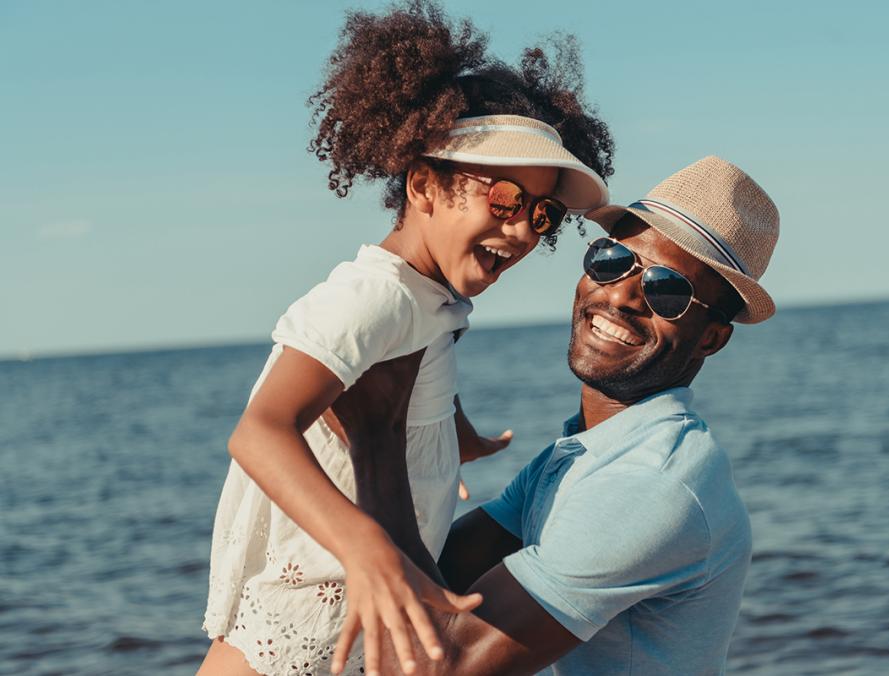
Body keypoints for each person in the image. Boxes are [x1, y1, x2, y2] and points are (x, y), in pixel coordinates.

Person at [196, 2, 614, 675]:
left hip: (364, 605)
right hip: (312, 603)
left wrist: (454, 432)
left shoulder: (430, 298)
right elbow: (259, 431)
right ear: (424, 184)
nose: (522, 231)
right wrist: (365, 546)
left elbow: (412, 367)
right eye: (503, 199)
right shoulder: (375, 295)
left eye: (542, 215)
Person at [362, 155, 780, 674]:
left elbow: (442, 664)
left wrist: (374, 431)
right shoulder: (589, 451)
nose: (622, 296)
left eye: (668, 290)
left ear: (712, 338)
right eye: (611, 261)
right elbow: (435, 574)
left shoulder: (649, 483)